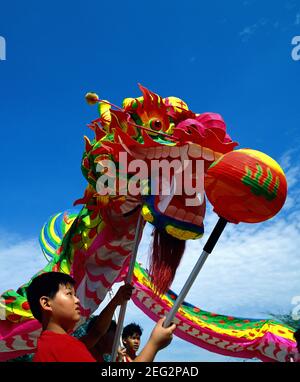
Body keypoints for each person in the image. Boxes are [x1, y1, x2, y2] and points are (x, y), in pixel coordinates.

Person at [27, 271, 176, 362]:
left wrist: (115, 301)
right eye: (69, 294)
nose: (77, 300)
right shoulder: (62, 347)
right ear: (46, 303)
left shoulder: (53, 344)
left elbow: (97, 332)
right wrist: (154, 344)